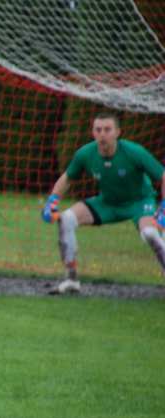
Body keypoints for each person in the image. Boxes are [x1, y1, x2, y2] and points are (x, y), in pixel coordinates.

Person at [42, 111, 165, 294]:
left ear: (117, 132)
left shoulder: (134, 152)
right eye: (98, 130)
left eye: (107, 129)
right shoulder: (85, 153)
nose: (102, 134)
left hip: (139, 203)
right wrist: (52, 201)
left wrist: (163, 207)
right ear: (93, 132)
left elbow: (163, 176)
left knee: (150, 234)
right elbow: (67, 178)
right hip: (107, 203)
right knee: (66, 218)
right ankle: (71, 279)